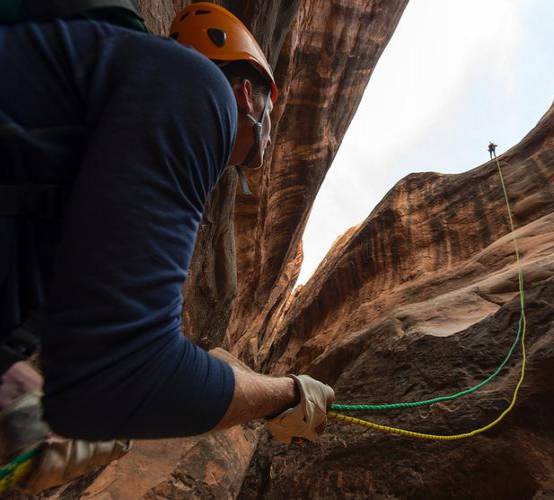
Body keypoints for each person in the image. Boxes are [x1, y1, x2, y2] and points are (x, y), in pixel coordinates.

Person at [0, 1, 334, 493]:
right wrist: (285, 396)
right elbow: (120, 376)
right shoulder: (200, 91)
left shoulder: (82, 126)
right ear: (246, 93)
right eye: (271, 106)